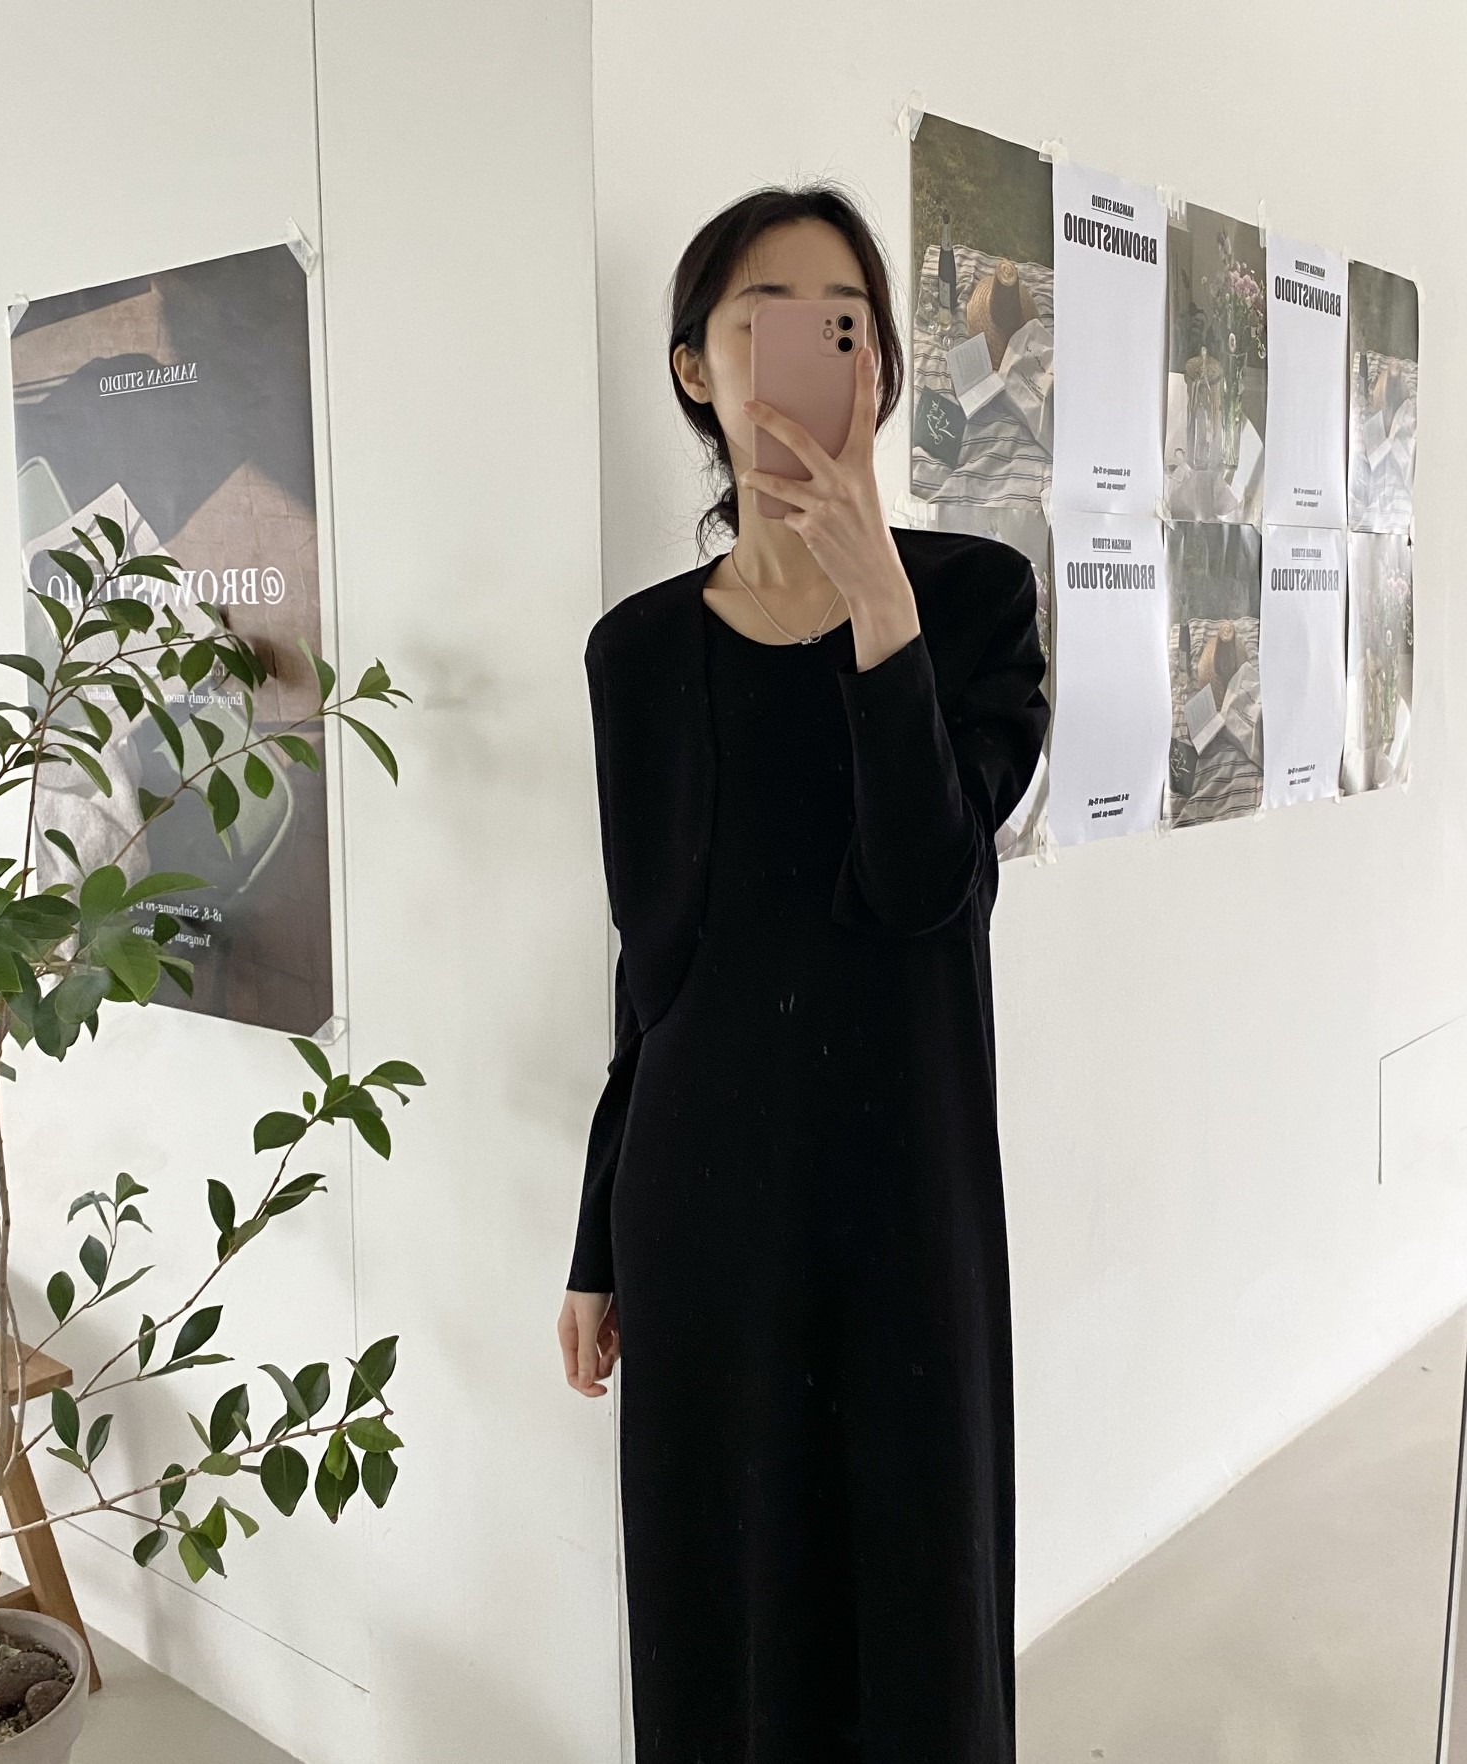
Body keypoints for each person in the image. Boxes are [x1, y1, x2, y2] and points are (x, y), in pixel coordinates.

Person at [556, 183, 1049, 1763]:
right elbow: (653, 972)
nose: (804, 353)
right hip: (701, 1218)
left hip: (905, 1212)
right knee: (721, 1627)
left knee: (916, 1626)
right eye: (758, 319)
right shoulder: (638, 654)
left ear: (883, 366)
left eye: (841, 323)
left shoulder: (975, 603)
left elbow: (929, 886)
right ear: (697, 366)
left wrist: (880, 614)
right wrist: (597, 1235)